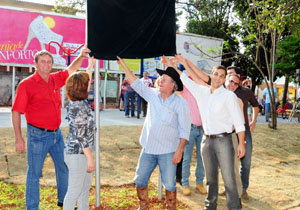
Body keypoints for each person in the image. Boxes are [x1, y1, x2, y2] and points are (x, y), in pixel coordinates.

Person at [11, 46, 91, 209]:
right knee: (34, 173)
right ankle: (32, 207)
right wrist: (18, 138)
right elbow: (16, 112)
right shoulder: (27, 85)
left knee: (63, 167)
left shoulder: (55, 79)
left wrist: (81, 56)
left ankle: (64, 200)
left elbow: (71, 70)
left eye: (49, 62)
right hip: (37, 136)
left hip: (56, 135)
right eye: (43, 62)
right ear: (36, 64)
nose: (46, 65)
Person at [167, 55, 245, 210]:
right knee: (211, 179)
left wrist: (241, 143)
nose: (218, 78)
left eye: (222, 76)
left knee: (229, 179)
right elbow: (185, 79)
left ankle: (235, 207)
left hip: (225, 141)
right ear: (212, 75)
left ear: (224, 80)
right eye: (216, 74)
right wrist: (174, 65)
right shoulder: (201, 91)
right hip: (206, 141)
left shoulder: (229, 96)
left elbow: (239, 122)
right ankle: (210, 207)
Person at [117, 56, 191, 210]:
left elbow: (185, 129)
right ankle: (143, 206)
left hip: (169, 152)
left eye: (164, 78)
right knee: (140, 180)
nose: (160, 80)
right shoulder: (152, 94)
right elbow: (136, 83)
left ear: (173, 85)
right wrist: (124, 65)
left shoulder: (180, 103)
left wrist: (180, 151)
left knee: (170, 184)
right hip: (148, 149)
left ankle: (170, 208)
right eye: (160, 77)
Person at [63, 57, 96, 210]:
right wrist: (90, 159)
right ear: (82, 89)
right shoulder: (79, 108)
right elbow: (81, 136)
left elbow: (85, 81)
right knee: (74, 192)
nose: (91, 83)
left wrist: (90, 66)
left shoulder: (78, 101)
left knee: (84, 190)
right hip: (78, 155)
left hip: (80, 154)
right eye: (88, 83)